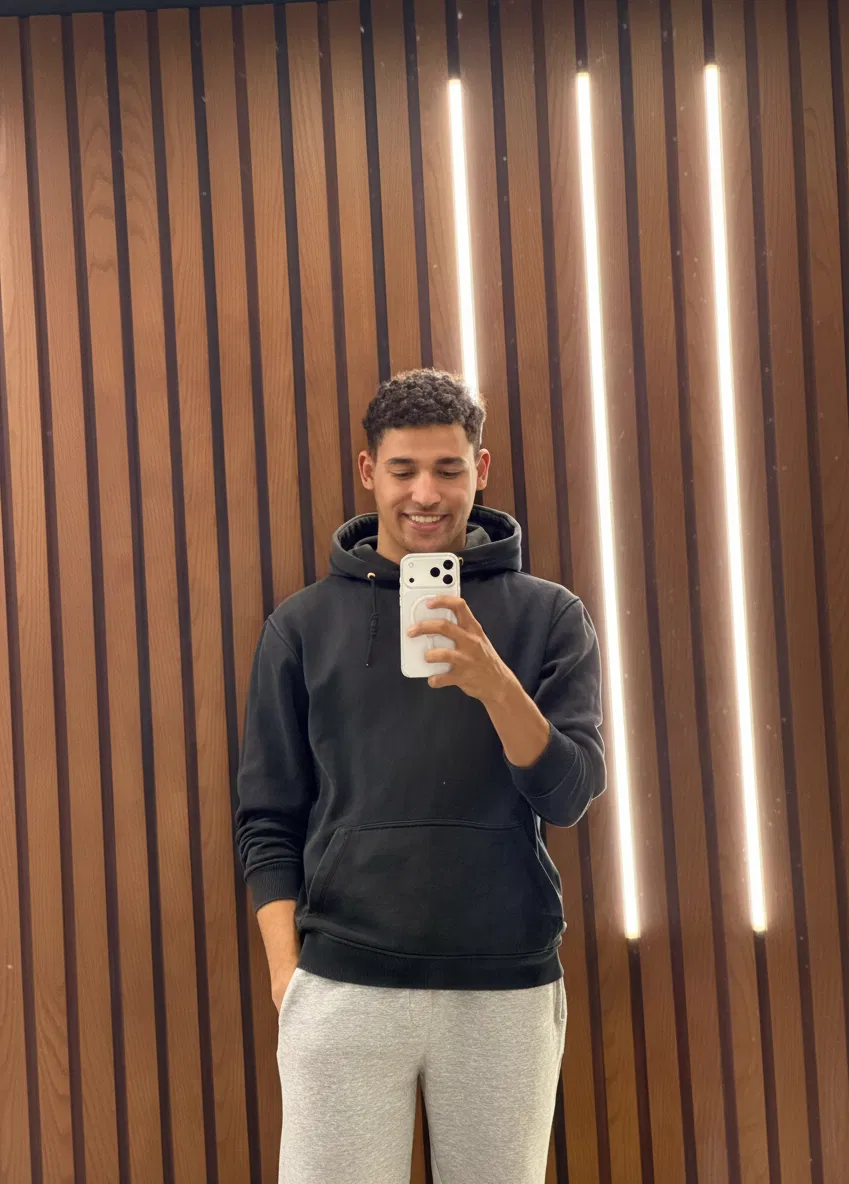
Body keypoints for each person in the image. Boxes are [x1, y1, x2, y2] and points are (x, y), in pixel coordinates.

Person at [234, 369, 605, 1184]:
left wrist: (494, 683)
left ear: (482, 468)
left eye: (448, 468)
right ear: (369, 471)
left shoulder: (550, 616)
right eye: (403, 470)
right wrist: (289, 979)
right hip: (343, 984)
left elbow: (569, 792)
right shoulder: (301, 626)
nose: (426, 494)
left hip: (505, 984)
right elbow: (268, 816)